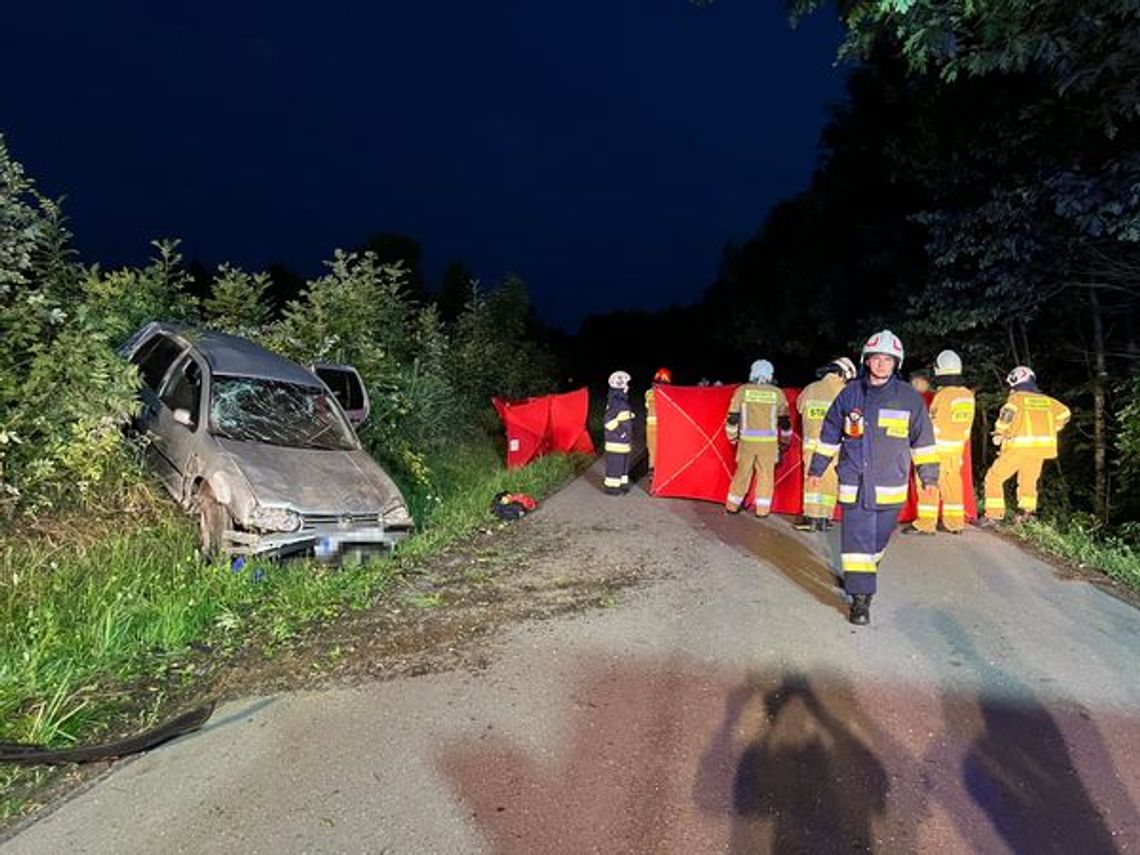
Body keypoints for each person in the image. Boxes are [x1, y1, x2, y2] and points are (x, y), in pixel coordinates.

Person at [806, 330, 939, 625]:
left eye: (887, 359)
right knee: (857, 540)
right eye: (876, 358)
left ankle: (860, 574)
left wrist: (929, 477)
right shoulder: (849, 394)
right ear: (866, 361)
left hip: (891, 484)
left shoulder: (908, 398)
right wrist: (817, 468)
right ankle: (861, 601)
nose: (881, 364)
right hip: (854, 482)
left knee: (877, 543)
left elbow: (924, 441)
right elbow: (829, 434)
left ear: (896, 363)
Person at [980, 366, 1070, 525]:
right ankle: (1028, 515)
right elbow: (1065, 414)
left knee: (994, 478)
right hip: (1039, 451)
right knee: (1028, 481)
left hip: (1018, 449)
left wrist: (999, 434)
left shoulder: (1016, 399)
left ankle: (993, 515)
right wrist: (1054, 427)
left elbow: (1005, 418)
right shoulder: (1048, 401)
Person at [910, 349, 975, 534]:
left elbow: (933, 423)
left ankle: (926, 525)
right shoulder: (967, 395)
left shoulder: (943, 395)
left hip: (936, 449)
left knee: (927, 485)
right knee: (952, 485)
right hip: (956, 450)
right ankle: (955, 524)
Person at [794, 356, 857, 532]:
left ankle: (811, 518)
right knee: (830, 480)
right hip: (837, 446)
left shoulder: (811, 389)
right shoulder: (847, 393)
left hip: (811, 444)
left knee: (812, 479)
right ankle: (824, 518)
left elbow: (799, 408)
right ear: (843, 374)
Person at [725, 359, 791, 517]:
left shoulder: (742, 391)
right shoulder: (778, 394)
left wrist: (732, 438)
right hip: (768, 445)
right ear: (770, 374)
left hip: (747, 443)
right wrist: (785, 443)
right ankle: (762, 511)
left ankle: (732, 506)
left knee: (742, 474)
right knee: (766, 477)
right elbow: (785, 423)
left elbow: (732, 418)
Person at [603, 370, 634, 495]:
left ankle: (622, 484)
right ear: (620, 385)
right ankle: (612, 488)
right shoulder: (617, 402)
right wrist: (621, 433)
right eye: (626, 384)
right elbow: (608, 421)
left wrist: (629, 416)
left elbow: (620, 416)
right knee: (615, 465)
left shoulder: (620, 401)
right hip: (616, 442)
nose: (628, 387)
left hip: (622, 442)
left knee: (623, 465)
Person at [645, 367, 672, 471]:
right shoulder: (667, 394)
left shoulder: (649, 393)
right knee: (661, 451)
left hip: (652, 426)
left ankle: (653, 473)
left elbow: (648, 405)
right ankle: (658, 474)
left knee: (653, 451)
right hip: (662, 426)